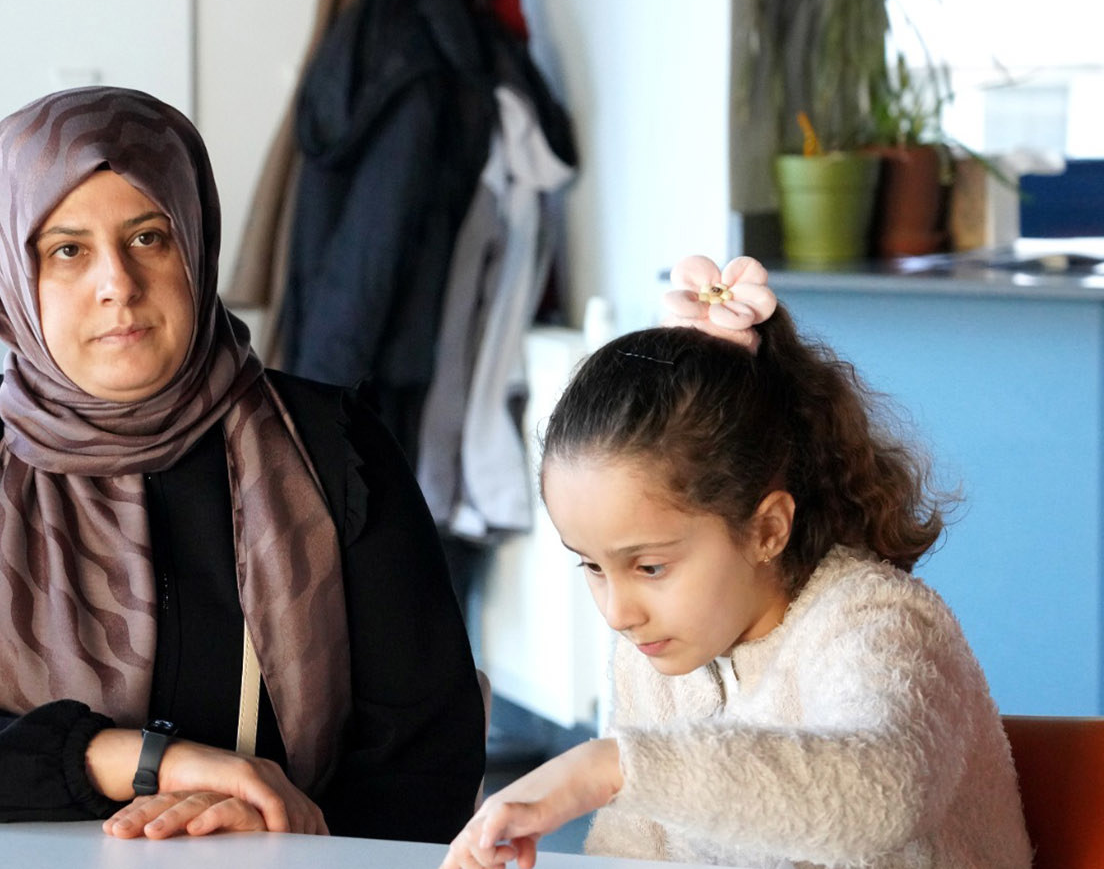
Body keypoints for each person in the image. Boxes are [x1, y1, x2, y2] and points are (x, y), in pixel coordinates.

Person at [0, 86, 485, 844]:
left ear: (195, 243)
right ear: (10, 272)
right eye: (68, 250)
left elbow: (431, 755)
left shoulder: (333, 447)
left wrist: (282, 830)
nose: (118, 286)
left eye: (148, 237)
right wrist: (149, 763)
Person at [442, 256, 1031, 869]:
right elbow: (630, 853)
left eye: (649, 567)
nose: (618, 614)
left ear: (767, 529)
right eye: (591, 566)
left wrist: (608, 767)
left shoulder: (878, 622)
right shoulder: (657, 658)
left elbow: (885, 791)